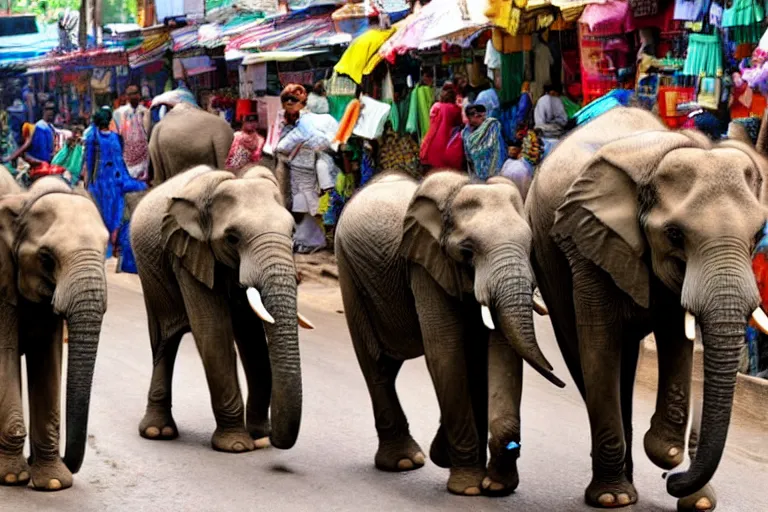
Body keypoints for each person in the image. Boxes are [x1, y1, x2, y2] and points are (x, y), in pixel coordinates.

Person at [275, 84, 339, 253]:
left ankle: (315, 240)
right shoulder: (300, 123)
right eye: (287, 101)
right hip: (299, 171)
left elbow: (282, 146)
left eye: (294, 101)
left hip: (309, 171)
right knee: (301, 206)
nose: (290, 104)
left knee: (305, 206)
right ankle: (308, 239)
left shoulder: (307, 123)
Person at [84, 107, 147, 274]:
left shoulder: (92, 137)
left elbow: (89, 164)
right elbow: (121, 161)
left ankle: (108, 247)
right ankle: (117, 246)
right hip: (119, 181)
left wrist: (87, 183)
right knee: (118, 213)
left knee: (103, 214)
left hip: (100, 183)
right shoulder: (116, 138)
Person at [420, 83, 464, 170]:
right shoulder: (455, 109)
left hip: (431, 146)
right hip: (446, 148)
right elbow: (463, 120)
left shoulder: (436, 107)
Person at [112, 84, 151, 181]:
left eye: (135, 94)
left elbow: (148, 133)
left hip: (143, 152)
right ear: (127, 97)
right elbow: (115, 134)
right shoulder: (119, 112)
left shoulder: (145, 111)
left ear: (139, 95)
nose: (133, 96)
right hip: (126, 152)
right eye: (131, 94)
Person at [4, 101, 56, 169]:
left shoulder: (50, 127)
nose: (50, 111)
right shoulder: (38, 126)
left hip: (48, 163)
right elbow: (26, 146)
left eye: (52, 109)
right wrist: (9, 158)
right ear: (43, 110)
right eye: (48, 109)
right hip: (39, 164)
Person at [462, 103, 507, 180]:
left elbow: (499, 149)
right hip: (476, 172)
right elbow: (468, 154)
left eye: (483, 116)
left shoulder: (491, 127)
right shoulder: (465, 133)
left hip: (494, 171)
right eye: (478, 116)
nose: (482, 119)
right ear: (469, 117)